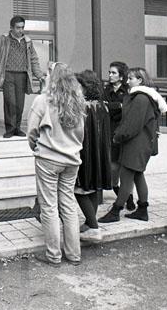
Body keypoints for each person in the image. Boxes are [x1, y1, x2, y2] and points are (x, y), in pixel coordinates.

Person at [27, 62, 86, 266]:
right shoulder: (78, 101)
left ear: (52, 79)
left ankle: (53, 255)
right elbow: (81, 134)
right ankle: (74, 254)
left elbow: (31, 131)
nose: (44, 77)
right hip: (72, 159)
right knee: (68, 205)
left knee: (49, 207)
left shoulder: (42, 101)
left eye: (47, 74)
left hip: (48, 159)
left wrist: (36, 147)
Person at [98, 67, 167, 224]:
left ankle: (115, 211)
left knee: (126, 178)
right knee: (137, 175)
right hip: (140, 143)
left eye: (131, 78)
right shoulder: (145, 97)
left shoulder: (140, 99)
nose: (127, 81)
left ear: (140, 80)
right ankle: (142, 210)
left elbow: (132, 124)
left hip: (135, 144)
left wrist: (118, 136)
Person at [0, 15, 45, 138]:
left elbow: (33, 59)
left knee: (19, 103)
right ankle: (10, 129)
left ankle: (17, 129)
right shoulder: (3, 39)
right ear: (11, 27)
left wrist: (40, 75)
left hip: (22, 76)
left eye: (22, 27)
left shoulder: (28, 41)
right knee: (10, 102)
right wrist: (3, 66)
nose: (21, 30)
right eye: (18, 28)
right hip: (8, 75)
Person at [74, 70, 113, 234]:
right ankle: (90, 222)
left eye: (79, 85)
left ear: (86, 87)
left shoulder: (82, 107)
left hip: (85, 152)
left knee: (80, 190)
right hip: (100, 152)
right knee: (94, 188)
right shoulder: (103, 105)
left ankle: (93, 225)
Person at [103, 61, 135, 210]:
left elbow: (129, 110)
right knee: (113, 168)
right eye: (109, 72)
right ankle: (121, 192)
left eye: (113, 73)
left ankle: (129, 198)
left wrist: (114, 108)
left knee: (126, 169)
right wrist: (119, 106)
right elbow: (103, 107)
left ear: (121, 76)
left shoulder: (128, 90)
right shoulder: (106, 89)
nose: (110, 75)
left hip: (124, 132)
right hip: (110, 132)